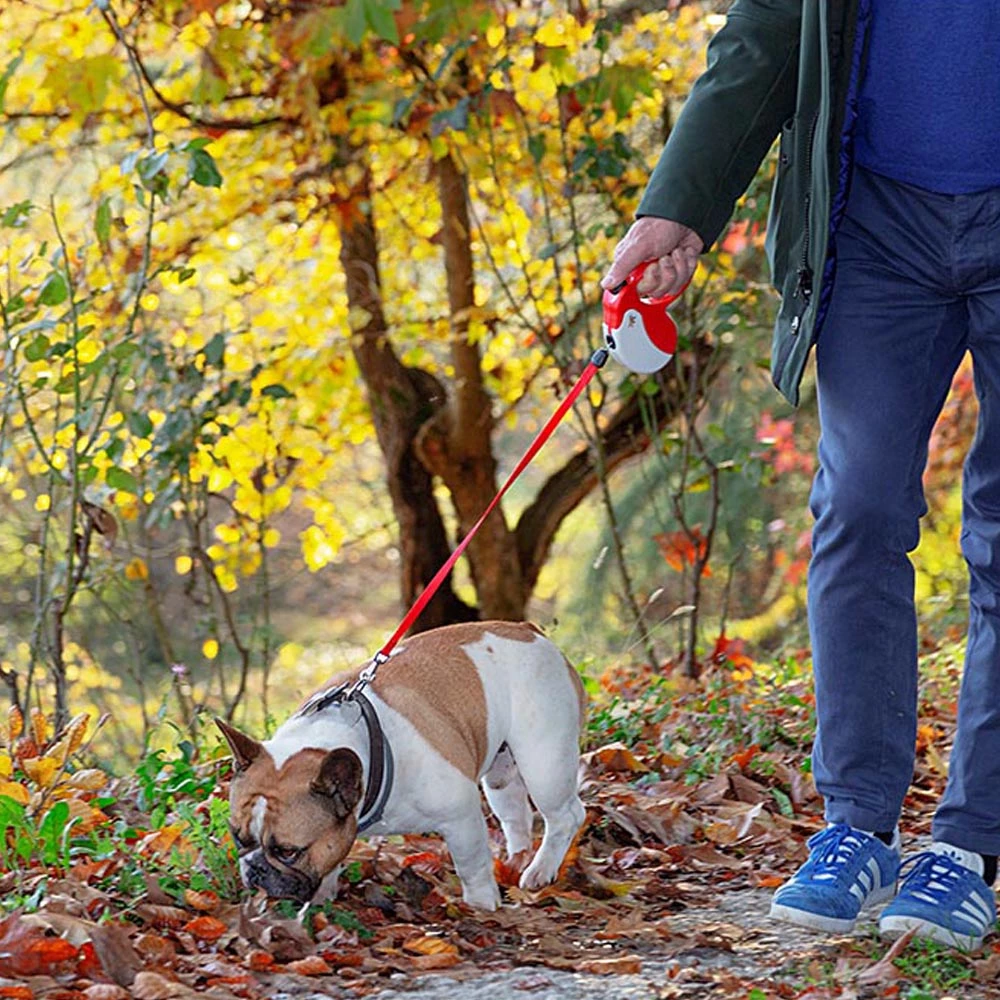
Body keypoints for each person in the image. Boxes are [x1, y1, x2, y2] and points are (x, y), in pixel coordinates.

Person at [602, 0, 1000, 951]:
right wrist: (680, 205)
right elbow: (768, 33)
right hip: (876, 218)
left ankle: (972, 843)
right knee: (856, 508)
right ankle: (856, 823)